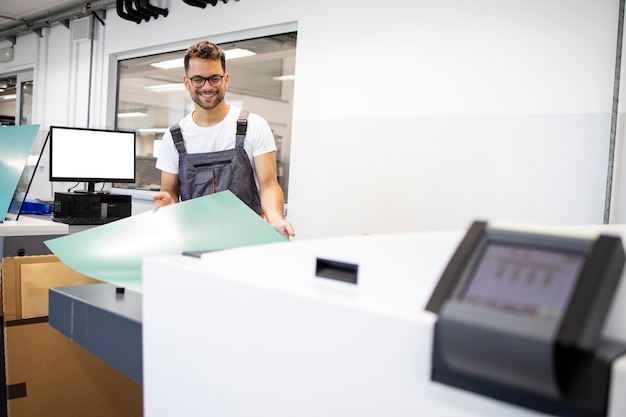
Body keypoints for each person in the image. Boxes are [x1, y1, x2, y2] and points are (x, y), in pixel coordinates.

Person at [153, 41, 295, 239]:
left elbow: (269, 185)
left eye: (214, 79)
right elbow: (169, 192)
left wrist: (275, 219)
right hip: (194, 238)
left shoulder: (254, 126)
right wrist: (168, 204)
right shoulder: (174, 136)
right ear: (187, 83)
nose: (207, 87)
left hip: (247, 238)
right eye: (198, 80)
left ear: (226, 79)